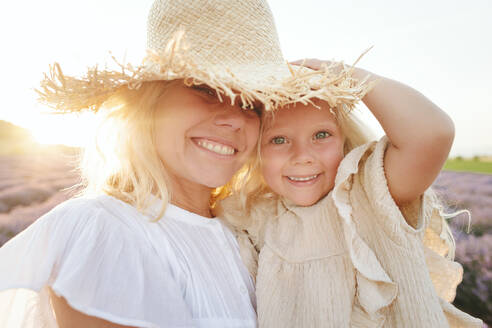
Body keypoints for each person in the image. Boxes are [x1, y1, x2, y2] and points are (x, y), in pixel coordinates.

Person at [0, 1, 361, 327]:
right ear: (150, 102)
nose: (233, 118)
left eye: (252, 104)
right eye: (205, 89)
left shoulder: (247, 235)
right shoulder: (103, 228)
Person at [220, 59, 484, 327]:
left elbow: (432, 133)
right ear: (258, 153)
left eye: (321, 135)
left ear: (344, 143)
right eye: (279, 140)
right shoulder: (255, 218)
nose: (302, 156)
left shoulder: (370, 192)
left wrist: (350, 76)